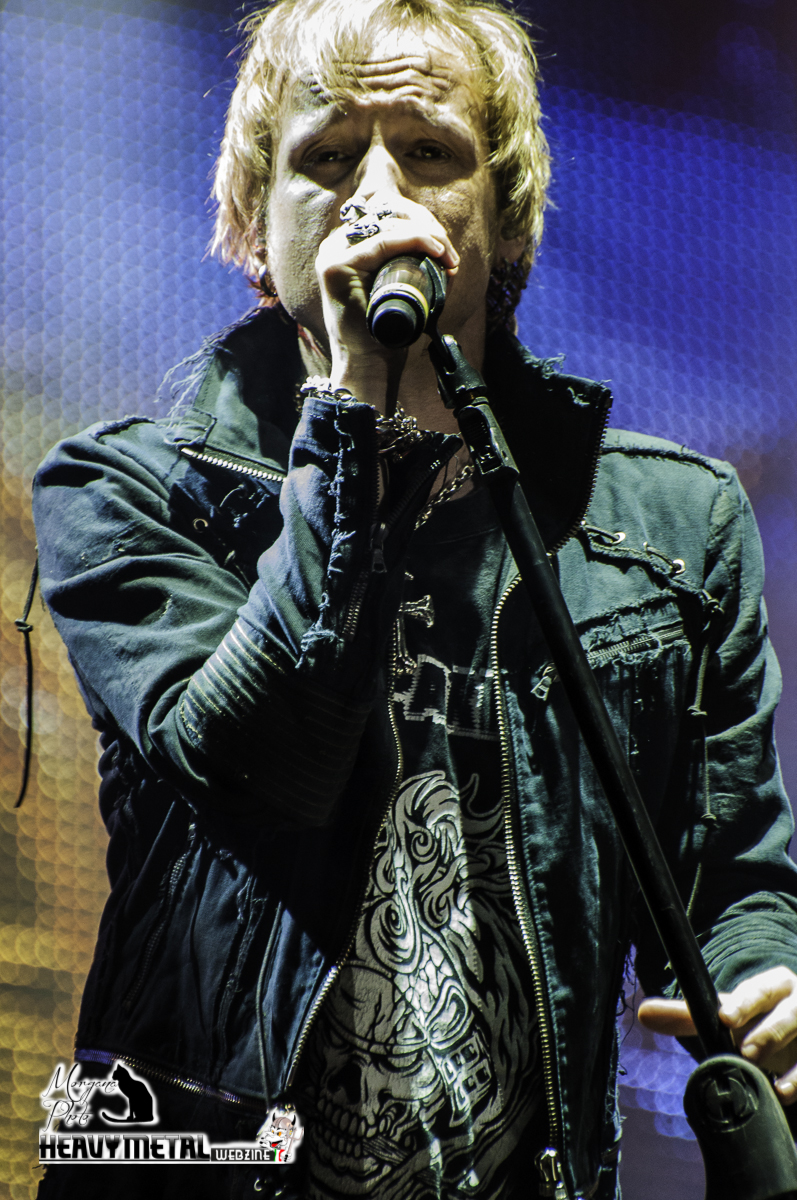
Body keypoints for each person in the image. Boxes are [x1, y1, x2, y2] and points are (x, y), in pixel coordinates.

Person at [31, 0, 797, 1197]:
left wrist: (763, 977)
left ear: (504, 212)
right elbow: (262, 765)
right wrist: (348, 420)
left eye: (428, 152)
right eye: (328, 156)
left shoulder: (670, 526)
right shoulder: (125, 490)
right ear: (254, 215)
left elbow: (727, 873)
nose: (375, 196)